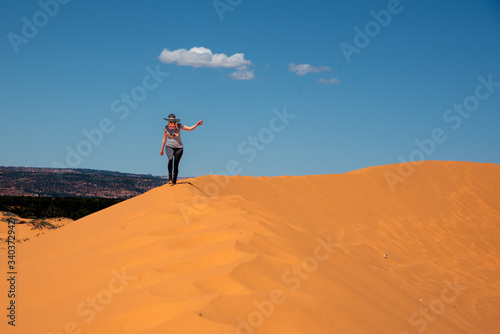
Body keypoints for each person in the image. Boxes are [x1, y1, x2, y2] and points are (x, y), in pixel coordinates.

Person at [160, 113, 203, 185]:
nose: (172, 123)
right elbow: (164, 139)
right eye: (171, 122)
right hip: (169, 147)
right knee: (170, 159)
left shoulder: (179, 126)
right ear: (168, 122)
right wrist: (162, 149)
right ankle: (170, 178)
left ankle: (174, 180)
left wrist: (197, 124)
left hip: (179, 148)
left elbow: (189, 129)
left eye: (173, 121)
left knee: (176, 164)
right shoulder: (166, 128)